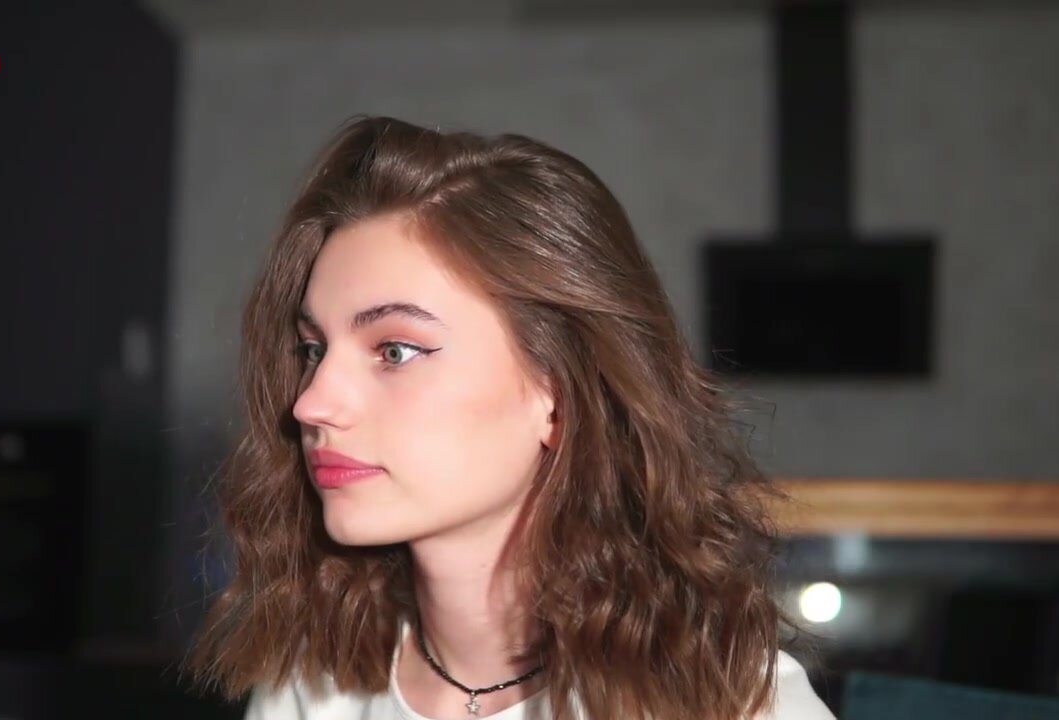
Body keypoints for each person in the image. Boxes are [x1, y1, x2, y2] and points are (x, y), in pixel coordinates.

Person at [189, 115, 836, 720]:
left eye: (395, 351)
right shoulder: (310, 691)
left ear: (560, 394)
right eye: (313, 350)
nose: (311, 403)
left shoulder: (732, 704)